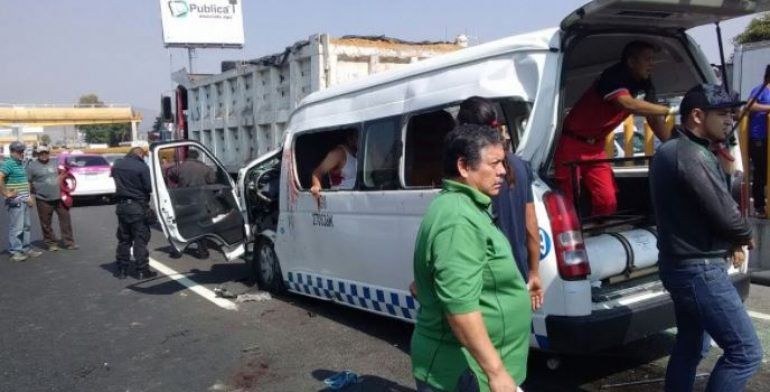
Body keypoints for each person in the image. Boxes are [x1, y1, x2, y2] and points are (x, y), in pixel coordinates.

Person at [650, 84, 762, 392]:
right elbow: (726, 214)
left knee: (690, 346)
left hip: (683, 265)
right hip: (699, 270)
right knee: (745, 353)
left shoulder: (674, 150)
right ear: (697, 115)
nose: (730, 119)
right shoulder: (690, 154)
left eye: (732, 113)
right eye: (723, 113)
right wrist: (743, 235)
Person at [411, 124, 530, 392]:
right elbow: (460, 306)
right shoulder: (458, 219)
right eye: (495, 163)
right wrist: (496, 372)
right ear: (464, 166)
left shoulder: (470, 208)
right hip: (466, 375)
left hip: (481, 370)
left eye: (503, 162)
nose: (503, 170)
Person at [555, 40, 675, 216]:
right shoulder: (613, 76)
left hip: (596, 147)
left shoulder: (646, 84)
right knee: (568, 198)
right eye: (647, 59)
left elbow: (654, 119)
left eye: (653, 60)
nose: (652, 64)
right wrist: (667, 109)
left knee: (607, 198)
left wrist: (675, 144)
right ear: (631, 62)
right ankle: (569, 236)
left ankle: (600, 232)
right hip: (572, 142)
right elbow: (627, 104)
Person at [457, 96, 543, 310]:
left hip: (489, 281)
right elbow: (531, 225)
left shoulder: (471, 172)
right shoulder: (520, 166)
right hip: (519, 276)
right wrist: (534, 272)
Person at [111, 147, 156, 280]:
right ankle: (142, 270)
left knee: (124, 240)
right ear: (140, 154)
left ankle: (122, 269)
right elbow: (149, 187)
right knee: (140, 240)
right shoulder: (141, 167)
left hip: (122, 206)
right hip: (138, 207)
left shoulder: (117, 164)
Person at [26, 145, 78, 251]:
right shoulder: (31, 166)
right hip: (42, 198)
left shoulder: (56, 162)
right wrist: (29, 196)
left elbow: (65, 173)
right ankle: (51, 243)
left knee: (65, 220)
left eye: (45, 152)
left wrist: (65, 175)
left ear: (48, 153)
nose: (44, 155)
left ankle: (69, 242)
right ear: (37, 154)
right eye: (41, 153)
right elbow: (28, 182)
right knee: (45, 223)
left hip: (60, 197)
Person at [0, 141, 42, 261]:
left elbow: (23, 182)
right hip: (16, 201)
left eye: (22, 151)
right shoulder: (9, 163)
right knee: (17, 227)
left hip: (24, 199)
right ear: (12, 152)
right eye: (19, 151)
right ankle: (15, 251)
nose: (21, 153)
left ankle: (26, 248)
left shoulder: (20, 164)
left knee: (26, 226)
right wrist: (6, 193)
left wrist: (28, 197)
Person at [174, 149, 216, 259]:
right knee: (201, 225)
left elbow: (171, 175)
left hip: (185, 199)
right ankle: (203, 251)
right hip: (201, 199)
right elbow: (212, 180)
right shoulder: (203, 167)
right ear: (197, 156)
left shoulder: (181, 167)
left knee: (183, 224)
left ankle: (178, 249)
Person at [310, 129, 358, 205]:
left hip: (356, 201)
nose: (360, 139)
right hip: (339, 203)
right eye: (357, 136)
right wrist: (316, 187)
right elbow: (317, 172)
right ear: (350, 138)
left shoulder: (360, 153)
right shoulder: (339, 153)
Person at [746, 65, 770, 217]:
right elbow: (750, 105)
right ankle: (759, 206)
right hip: (758, 137)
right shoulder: (760, 90)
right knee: (760, 172)